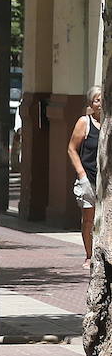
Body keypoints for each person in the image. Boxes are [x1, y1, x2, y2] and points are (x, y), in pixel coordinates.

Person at [68, 84, 103, 268]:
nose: (101, 103)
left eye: (103, 99)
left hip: (105, 180)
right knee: (89, 219)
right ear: (91, 103)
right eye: (97, 100)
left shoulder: (108, 122)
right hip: (88, 178)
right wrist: (81, 175)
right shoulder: (84, 122)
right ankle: (89, 255)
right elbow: (72, 149)